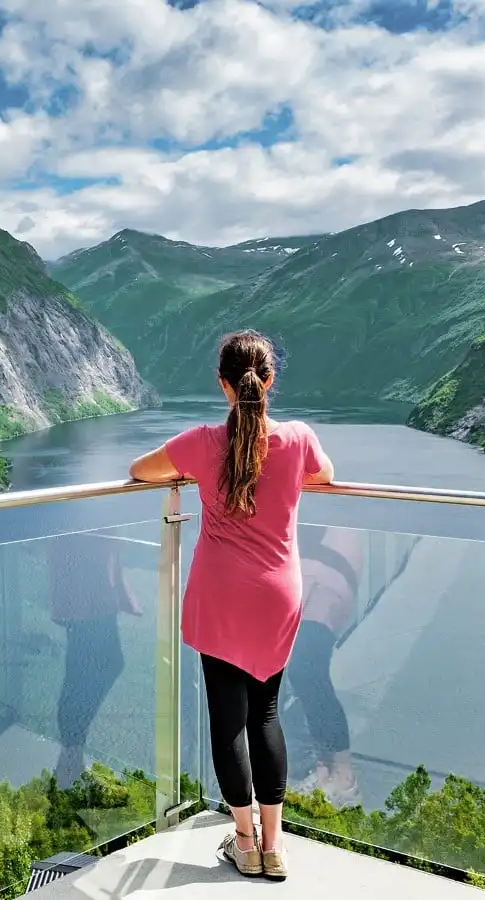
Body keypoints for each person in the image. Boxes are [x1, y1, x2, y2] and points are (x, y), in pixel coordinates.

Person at [128, 330, 334, 880]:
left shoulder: (200, 443)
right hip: (277, 594)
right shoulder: (296, 438)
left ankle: (242, 843)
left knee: (228, 724)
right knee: (267, 714)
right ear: (269, 382)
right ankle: (275, 845)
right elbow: (325, 475)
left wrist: (190, 472)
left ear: (223, 385)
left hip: (220, 594)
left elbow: (140, 469)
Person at [46, 532, 141, 789]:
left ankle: (71, 754)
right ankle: (71, 753)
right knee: (86, 667)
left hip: (89, 576)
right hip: (84, 582)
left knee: (85, 666)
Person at [291, 525, 365, 808]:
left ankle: (345, 778)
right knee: (302, 672)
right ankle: (326, 772)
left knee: (307, 668)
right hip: (302, 562)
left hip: (330, 563)